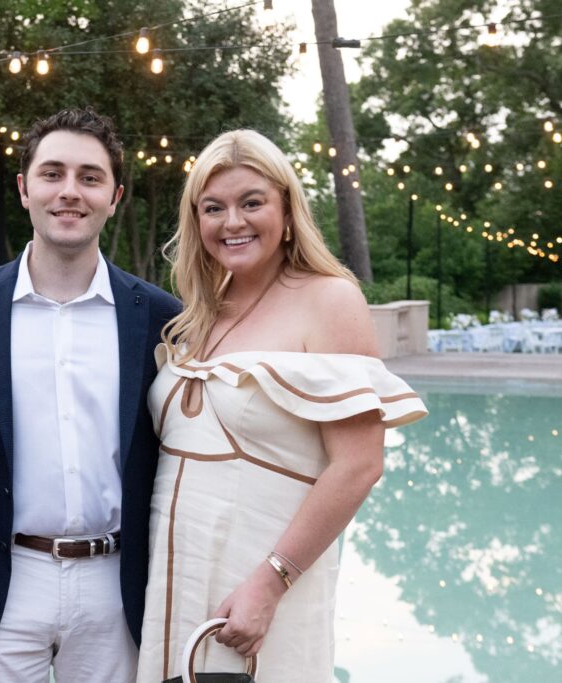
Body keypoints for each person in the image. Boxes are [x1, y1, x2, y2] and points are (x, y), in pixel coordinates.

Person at [135, 130, 427, 683]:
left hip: (259, 591)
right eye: (213, 208)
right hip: (173, 587)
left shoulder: (329, 299)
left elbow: (360, 464)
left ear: (287, 212)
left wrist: (268, 583)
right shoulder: (198, 316)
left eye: (252, 203)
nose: (233, 222)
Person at [0, 108, 180, 682]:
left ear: (114, 196)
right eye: (53, 173)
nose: (70, 192)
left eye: (90, 177)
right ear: (24, 189)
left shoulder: (164, 319)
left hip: (117, 588)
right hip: (3, 584)